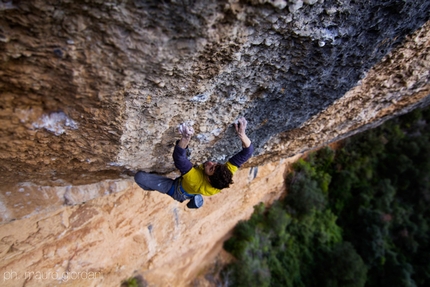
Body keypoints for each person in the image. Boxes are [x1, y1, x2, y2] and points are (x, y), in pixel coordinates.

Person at [134, 117, 254, 208]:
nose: (210, 163)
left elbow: (180, 159)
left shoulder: (196, 181)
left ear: (209, 179)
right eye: (215, 164)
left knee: (139, 177)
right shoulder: (226, 172)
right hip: (194, 185)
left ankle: (188, 197)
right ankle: (194, 196)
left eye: (211, 168)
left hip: (177, 189)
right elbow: (248, 152)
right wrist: (242, 134)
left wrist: (185, 138)